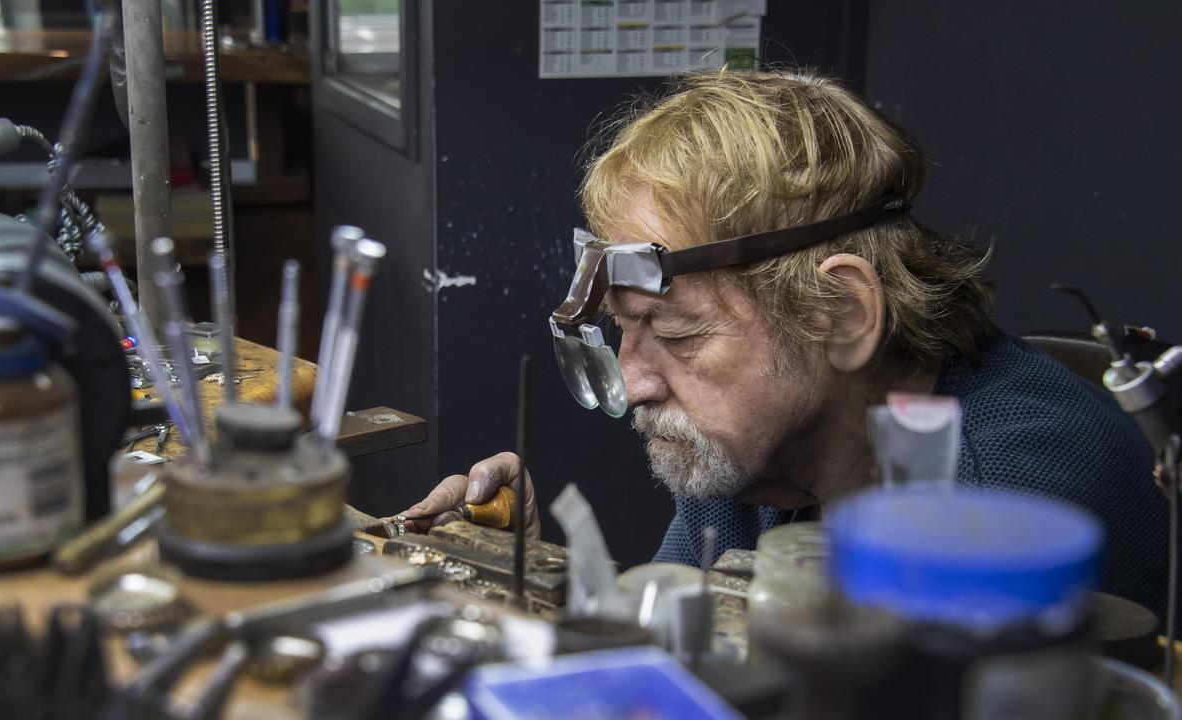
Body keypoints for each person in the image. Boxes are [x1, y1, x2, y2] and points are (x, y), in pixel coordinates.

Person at [395, 68, 1167, 621]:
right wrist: (540, 577)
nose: (634, 383)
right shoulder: (770, 461)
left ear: (841, 313)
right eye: (623, 332)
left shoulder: (1004, 511)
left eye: (676, 331)